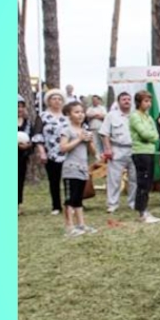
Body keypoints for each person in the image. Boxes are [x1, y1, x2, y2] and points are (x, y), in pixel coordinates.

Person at [58, 101, 98, 236]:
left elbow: (93, 152)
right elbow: (63, 148)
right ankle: (69, 227)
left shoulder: (85, 130)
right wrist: (79, 139)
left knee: (78, 199)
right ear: (69, 114)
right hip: (70, 169)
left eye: (82, 111)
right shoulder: (67, 130)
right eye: (76, 112)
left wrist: (90, 141)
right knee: (70, 198)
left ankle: (81, 224)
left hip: (82, 168)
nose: (80, 115)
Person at [100, 90, 137, 214]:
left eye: (128, 99)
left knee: (134, 178)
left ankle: (133, 203)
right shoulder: (111, 115)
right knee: (114, 178)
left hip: (134, 149)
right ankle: (112, 204)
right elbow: (104, 133)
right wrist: (108, 149)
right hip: (117, 148)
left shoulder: (136, 114)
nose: (127, 101)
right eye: (124, 99)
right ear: (118, 101)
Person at [33, 89, 69, 215]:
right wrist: (42, 152)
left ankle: (71, 204)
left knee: (69, 179)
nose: (57, 101)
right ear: (48, 101)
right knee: (54, 180)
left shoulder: (67, 116)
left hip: (68, 152)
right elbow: (38, 135)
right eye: (54, 99)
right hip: (51, 153)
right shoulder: (43, 116)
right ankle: (56, 206)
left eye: (59, 99)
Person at [129, 89, 160, 224]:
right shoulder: (135, 116)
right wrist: (151, 136)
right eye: (146, 101)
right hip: (140, 152)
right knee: (142, 182)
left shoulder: (149, 117)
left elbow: (156, 135)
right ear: (139, 102)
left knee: (148, 183)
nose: (149, 104)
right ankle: (142, 212)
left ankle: (145, 209)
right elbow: (144, 133)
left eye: (150, 101)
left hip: (150, 151)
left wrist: (152, 137)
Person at [18, 95, 34, 215]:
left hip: (22, 157)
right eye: (17, 107)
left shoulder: (27, 123)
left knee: (19, 180)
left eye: (21, 107)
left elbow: (32, 138)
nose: (19, 109)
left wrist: (28, 146)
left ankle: (18, 205)